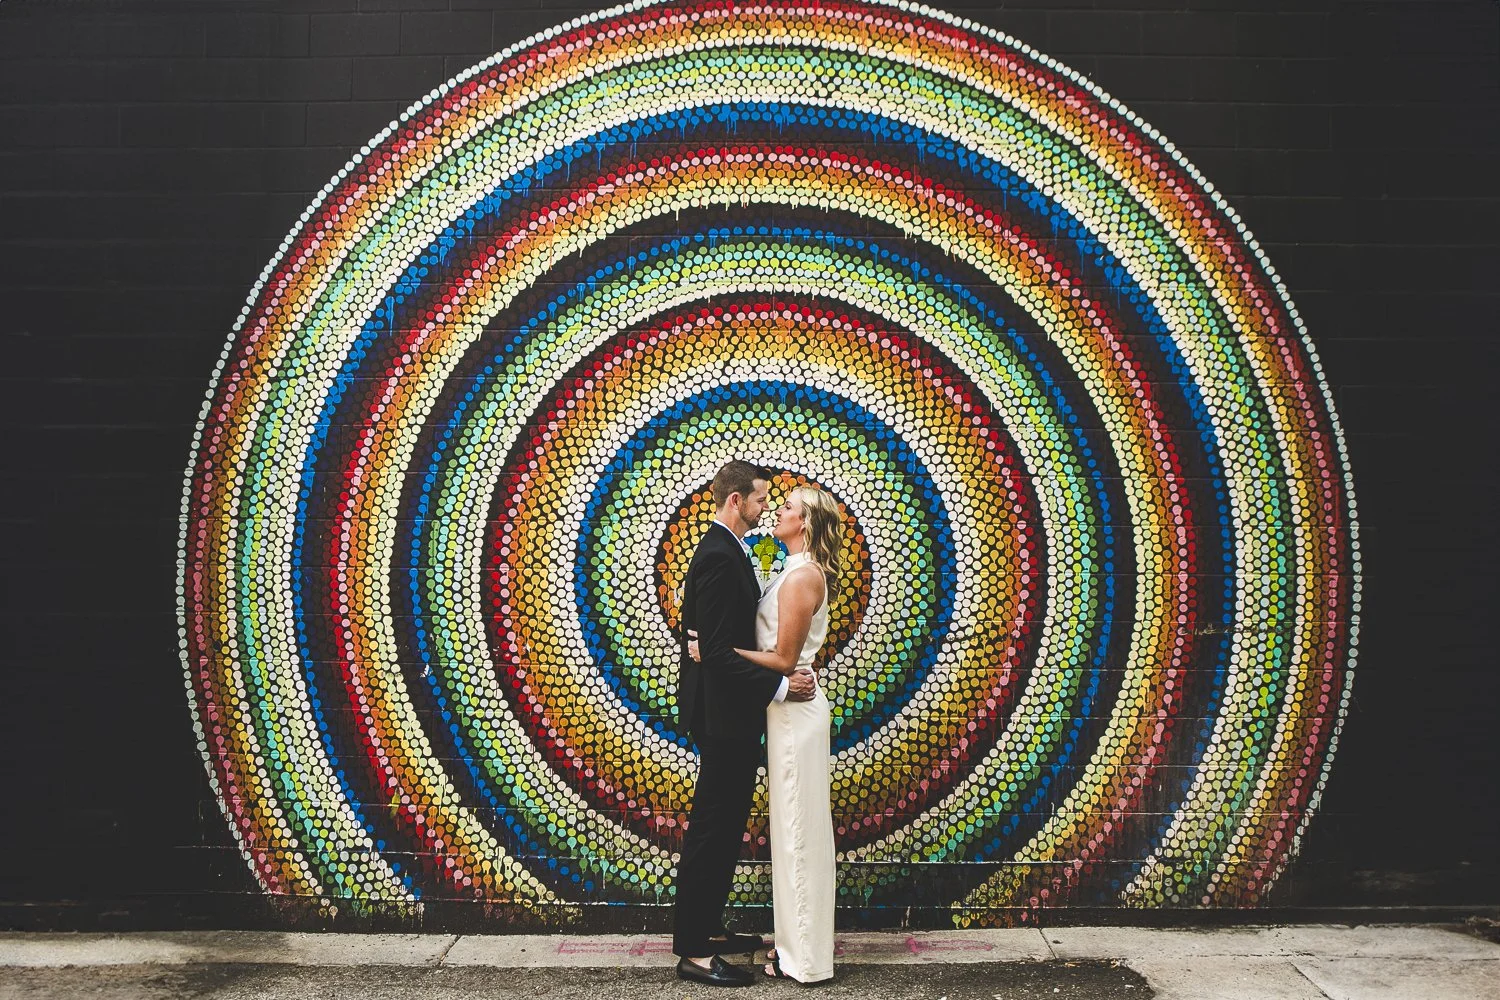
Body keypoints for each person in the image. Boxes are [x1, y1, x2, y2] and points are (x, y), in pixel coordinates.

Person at [690, 486, 844, 984]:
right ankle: (791, 948)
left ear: (805, 523)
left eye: (786, 508)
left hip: (794, 712)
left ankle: (801, 958)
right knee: (791, 829)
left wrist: (715, 653)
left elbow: (783, 660)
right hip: (780, 710)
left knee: (798, 832)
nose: (774, 510)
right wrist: (726, 654)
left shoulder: (802, 576)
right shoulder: (790, 569)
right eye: (769, 502)